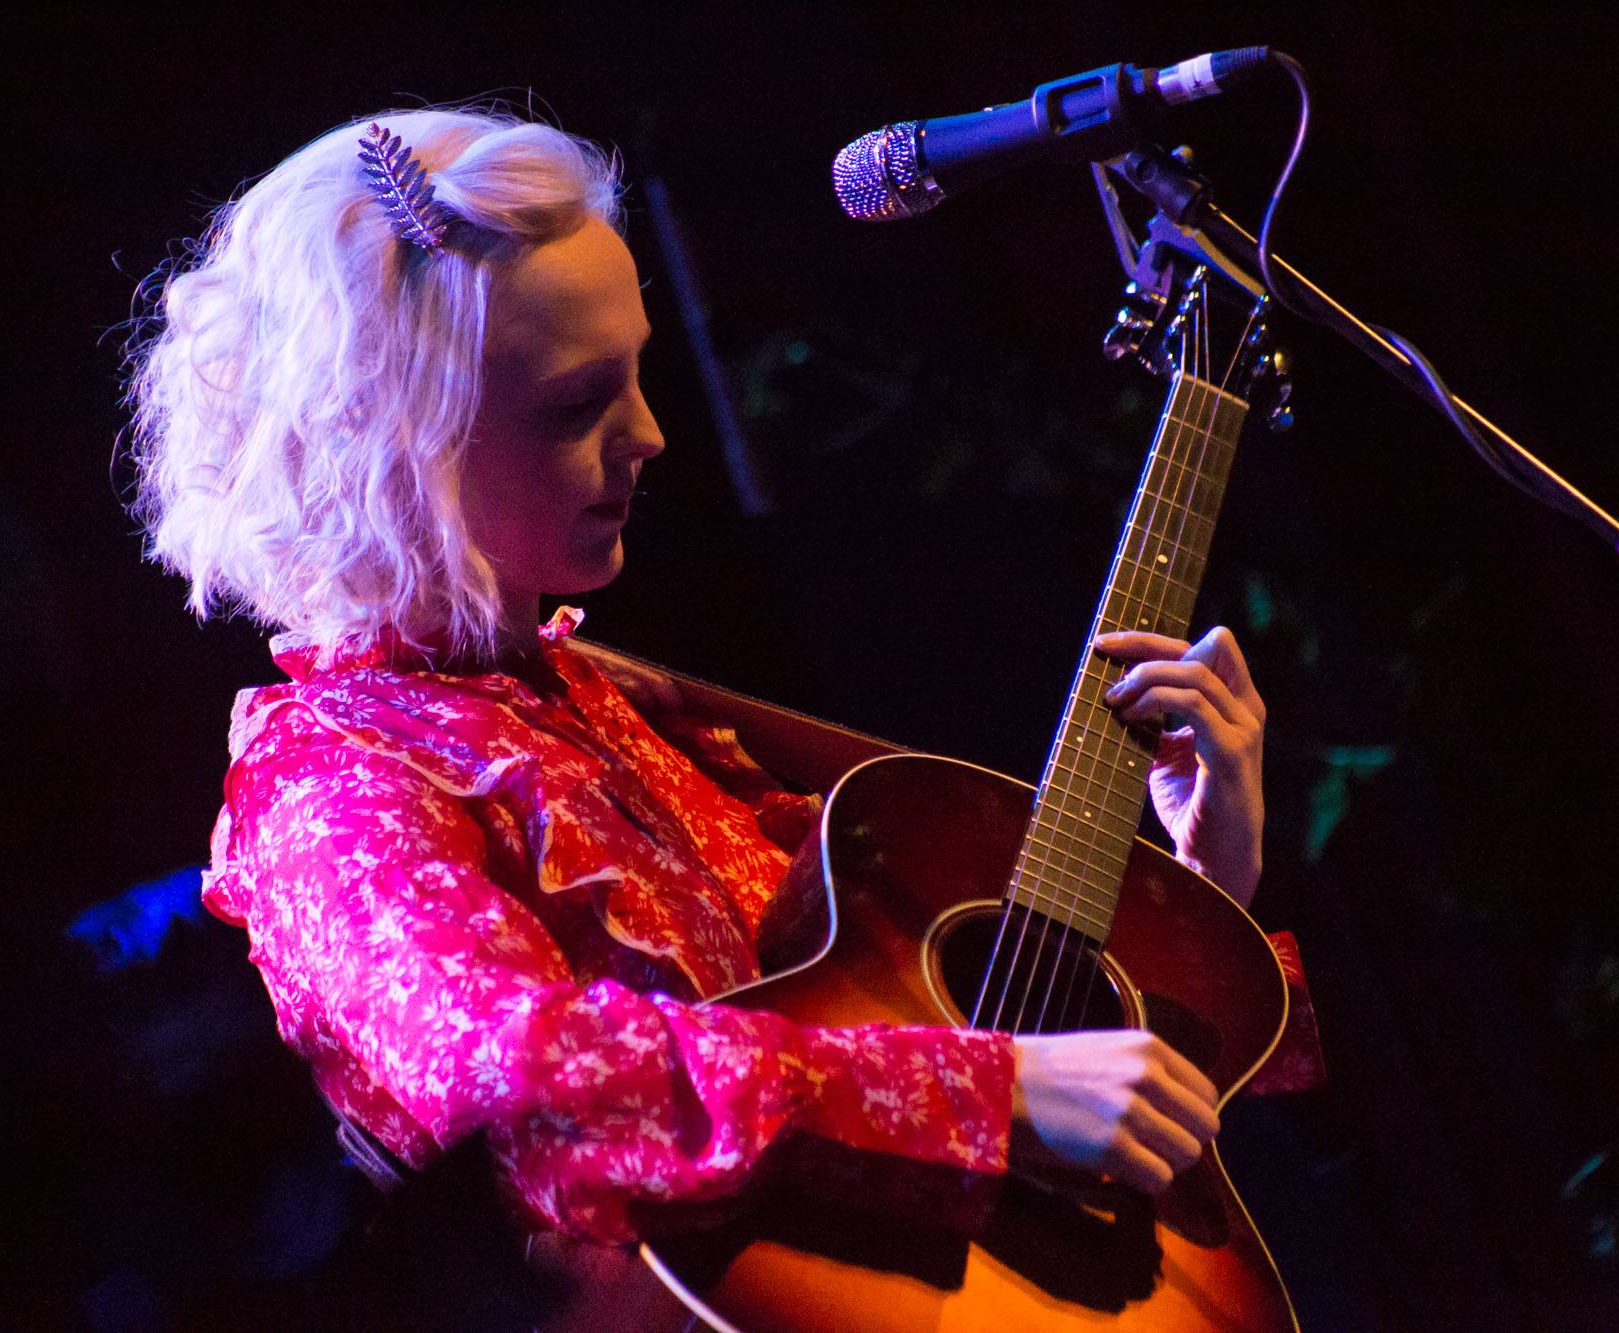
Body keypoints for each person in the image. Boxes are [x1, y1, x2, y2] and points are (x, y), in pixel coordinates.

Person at [123, 106, 1269, 1312]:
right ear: (389, 450)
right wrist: (988, 1096)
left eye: (637, 374)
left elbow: (954, 1015)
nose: (650, 435)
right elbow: (515, 1081)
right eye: (575, 405)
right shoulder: (331, 780)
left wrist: (1201, 880)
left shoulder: (607, 702)